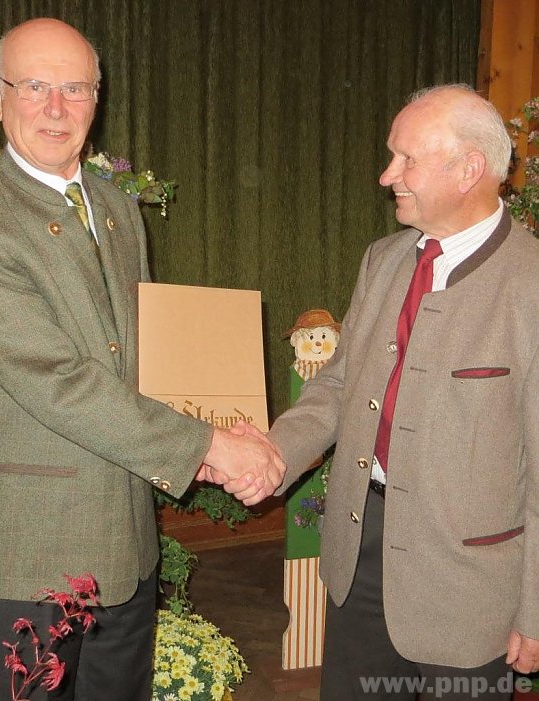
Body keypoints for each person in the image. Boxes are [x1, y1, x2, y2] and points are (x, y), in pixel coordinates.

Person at [0, 18, 283, 701]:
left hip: (121, 544)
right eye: (35, 86)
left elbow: (137, 362)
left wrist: (210, 436)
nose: (56, 107)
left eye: (75, 87)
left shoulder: (117, 209)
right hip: (22, 555)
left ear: (97, 98)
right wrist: (203, 442)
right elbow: (55, 382)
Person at [224, 85, 539, 699]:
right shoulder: (384, 260)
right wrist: (276, 452)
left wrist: (537, 608)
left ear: (469, 169)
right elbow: (341, 384)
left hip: (470, 584)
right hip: (360, 551)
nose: (386, 174)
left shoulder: (531, 285)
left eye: (406, 159)